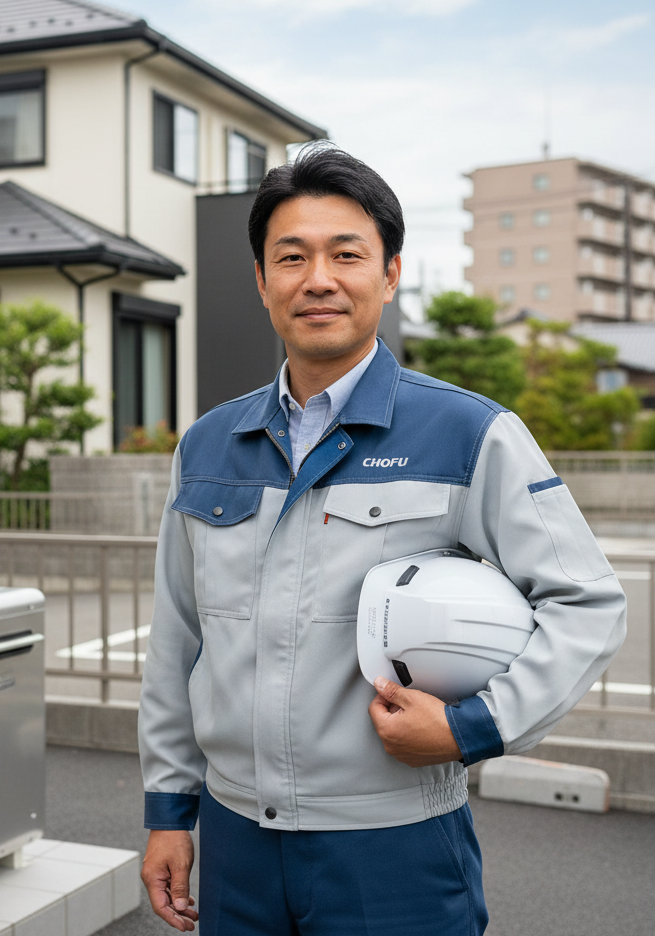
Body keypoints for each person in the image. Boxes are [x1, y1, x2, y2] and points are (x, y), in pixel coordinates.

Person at [137, 144, 626, 935]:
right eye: (290, 257)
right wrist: (169, 807)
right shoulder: (207, 446)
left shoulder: (470, 433)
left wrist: (472, 728)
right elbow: (179, 642)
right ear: (262, 282)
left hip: (393, 842)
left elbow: (587, 603)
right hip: (235, 841)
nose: (318, 279)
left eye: (346, 254)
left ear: (390, 275)